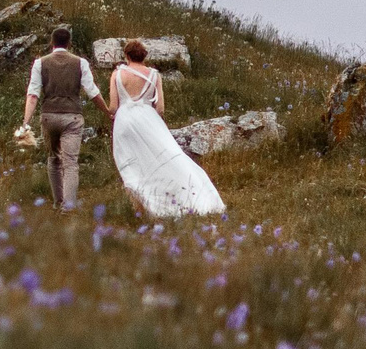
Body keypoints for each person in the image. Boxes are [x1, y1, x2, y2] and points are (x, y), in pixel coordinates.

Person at [103, 38, 226, 218]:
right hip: (149, 118)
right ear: (143, 56)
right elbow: (160, 107)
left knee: (130, 161)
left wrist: (107, 111)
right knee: (163, 156)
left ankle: (137, 204)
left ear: (127, 55)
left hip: (125, 121)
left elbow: (113, 106)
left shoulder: (117, 74)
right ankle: (174, 195)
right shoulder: (154, 75)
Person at [23, 27, 102, 208]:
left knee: (53, 159)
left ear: (52, 42)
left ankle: (58, 202)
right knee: (71, 163)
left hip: (48, 117)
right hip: (72, 117)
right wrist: (107, 112)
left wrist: (26, 122)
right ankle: (69, 208)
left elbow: (33, 95)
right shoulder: (80, 63)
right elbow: (92, 92)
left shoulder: (40, 63)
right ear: (69, 43)